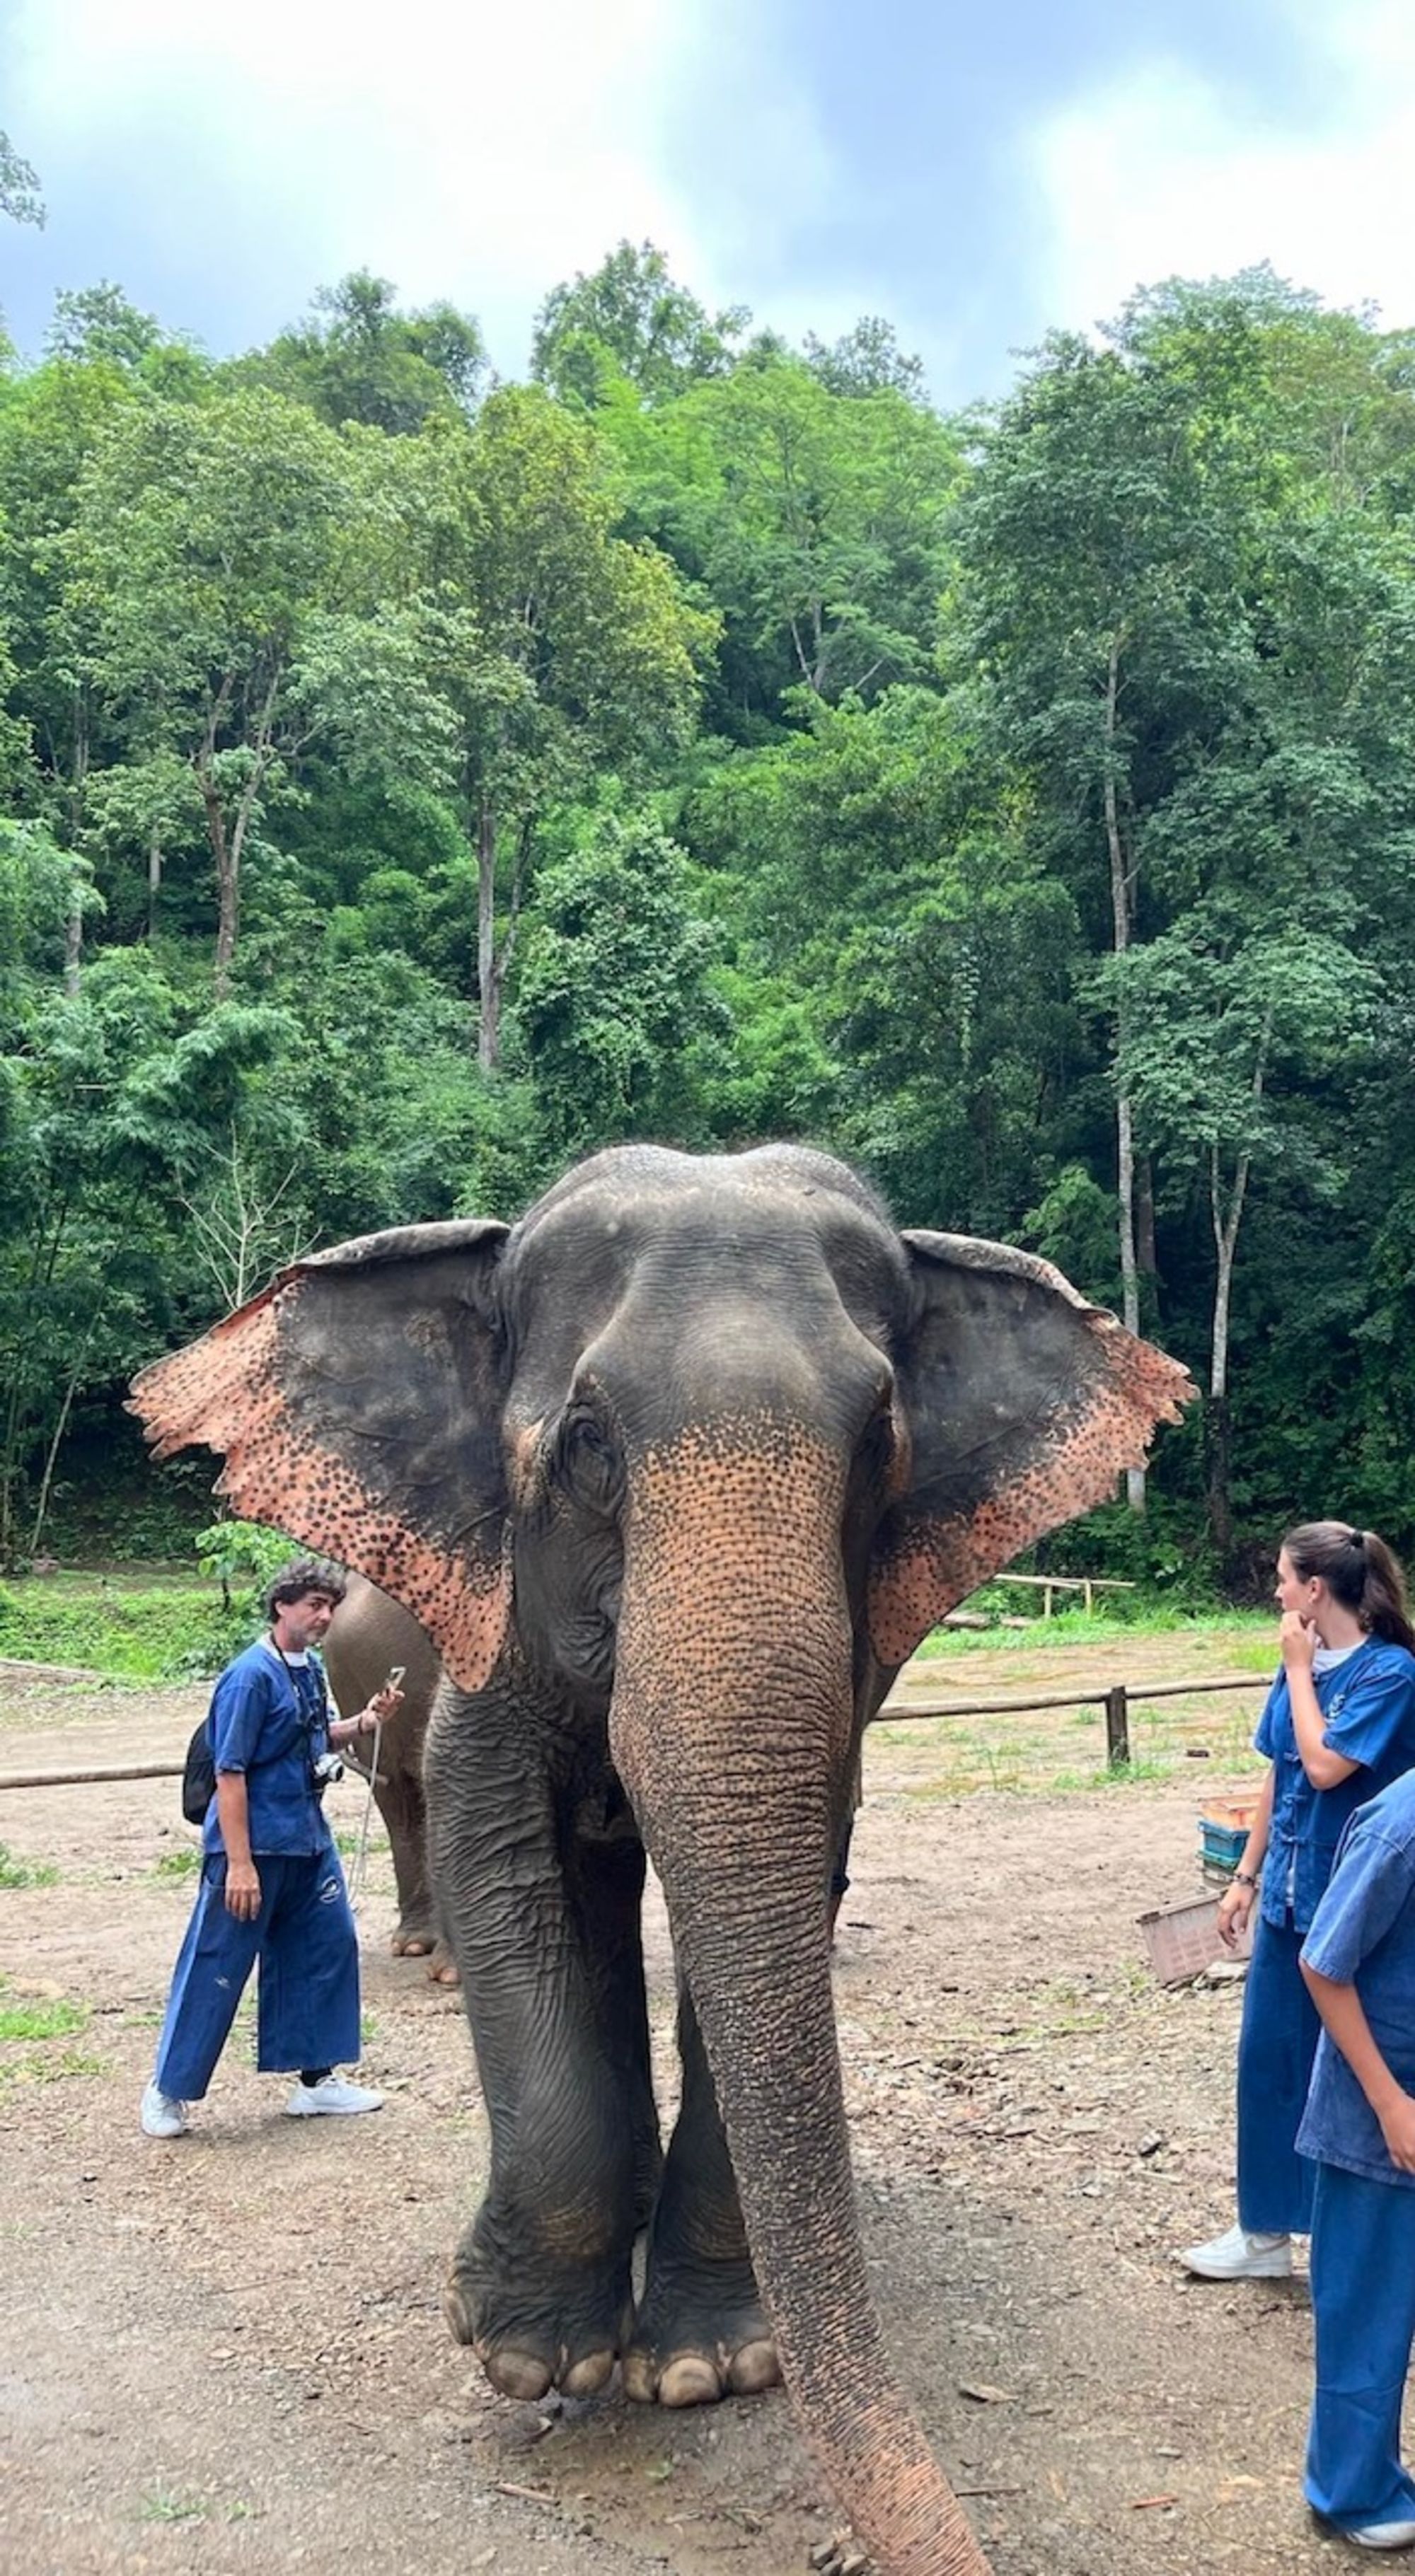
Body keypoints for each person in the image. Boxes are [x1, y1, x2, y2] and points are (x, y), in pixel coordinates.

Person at [1181, 1521, 1415, 2282]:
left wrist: (1300, 1674)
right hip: (1284, 1896)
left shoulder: (1388, 1676)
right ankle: (1264, 2234)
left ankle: (1358, 2240)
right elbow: (1280, 1771)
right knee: (1266, 2063)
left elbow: (1323, 1767)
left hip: (1353, 1909)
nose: (1275, 1593)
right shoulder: (1300, 1667)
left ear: (1314, 1590)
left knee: (1353, 2072)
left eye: (1282, 1579)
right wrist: (1242, 1879)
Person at [139, 1558, 403, 2140]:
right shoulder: (248, 1677)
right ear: (282, 1604)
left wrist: (365, 1720)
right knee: (217, 1964)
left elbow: (312, 1734)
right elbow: (230, 1773)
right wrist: (238, 1864)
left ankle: (315, 2082)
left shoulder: (307, 1669)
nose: (325, 1616)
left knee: (327, 1947)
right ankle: (167, 2090)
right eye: (313, 1604)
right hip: (252, 1846)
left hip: (306, 1840)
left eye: (330, 1606)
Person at [1296, 1768, 1415, 2547]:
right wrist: (1388, 2106)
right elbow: (1322, 1963)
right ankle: (1349, 2490)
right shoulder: (1398, 1829)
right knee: (1367, 2312)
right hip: (1379, 2111)